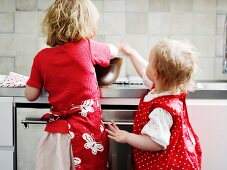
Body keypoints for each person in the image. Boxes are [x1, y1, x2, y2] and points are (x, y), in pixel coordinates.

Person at [25, 0, 119, 169]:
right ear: (85, 26)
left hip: (56, 135)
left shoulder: (42, 57)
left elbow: (30, 95)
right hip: (86, 135)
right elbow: (113, 50)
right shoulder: (88, 47)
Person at [106, 39, 202, 170]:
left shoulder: (162, 110)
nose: (147, 64)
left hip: (163, 165)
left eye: (149, 62)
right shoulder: (165, 88)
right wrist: (132, 53)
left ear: (156, 73)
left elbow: (156, 142)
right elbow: (144, 72)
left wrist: (127, 137)